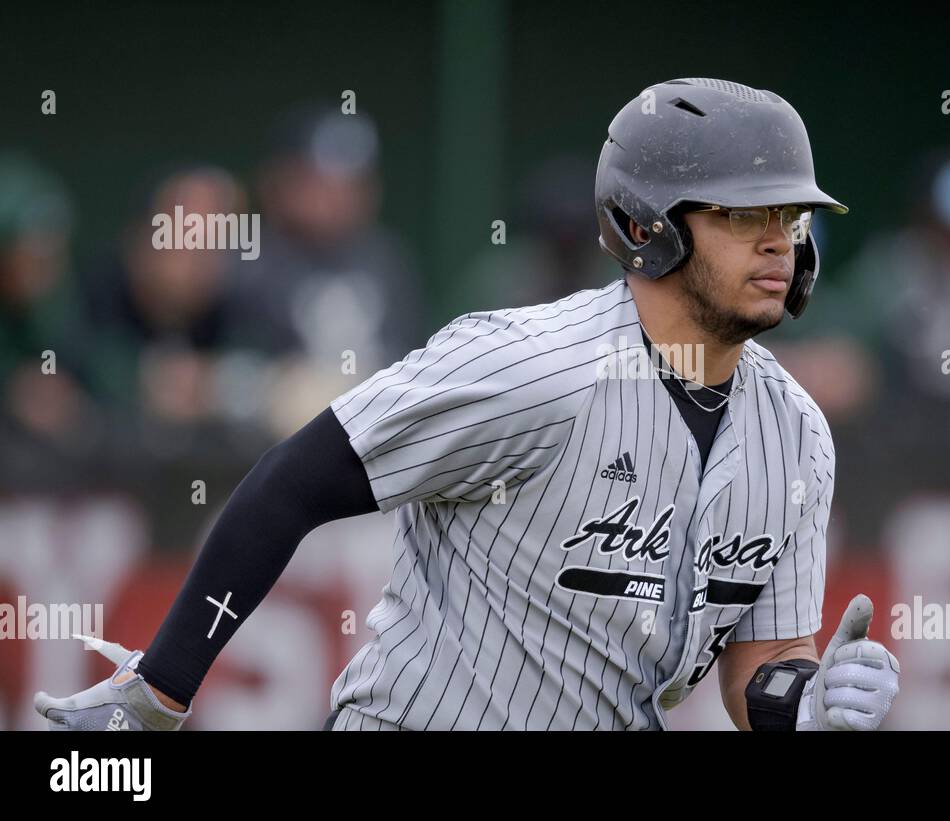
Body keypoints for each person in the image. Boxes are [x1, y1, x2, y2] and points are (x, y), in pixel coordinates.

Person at [34, 78, 899, 732]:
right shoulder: (527, 364)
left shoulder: (797, 433)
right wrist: (159, 688)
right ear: (647, 226)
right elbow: (293, 481)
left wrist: (808, 698)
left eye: (788, 212)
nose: (779, 238)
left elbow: (759, 667)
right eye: (742, 211)